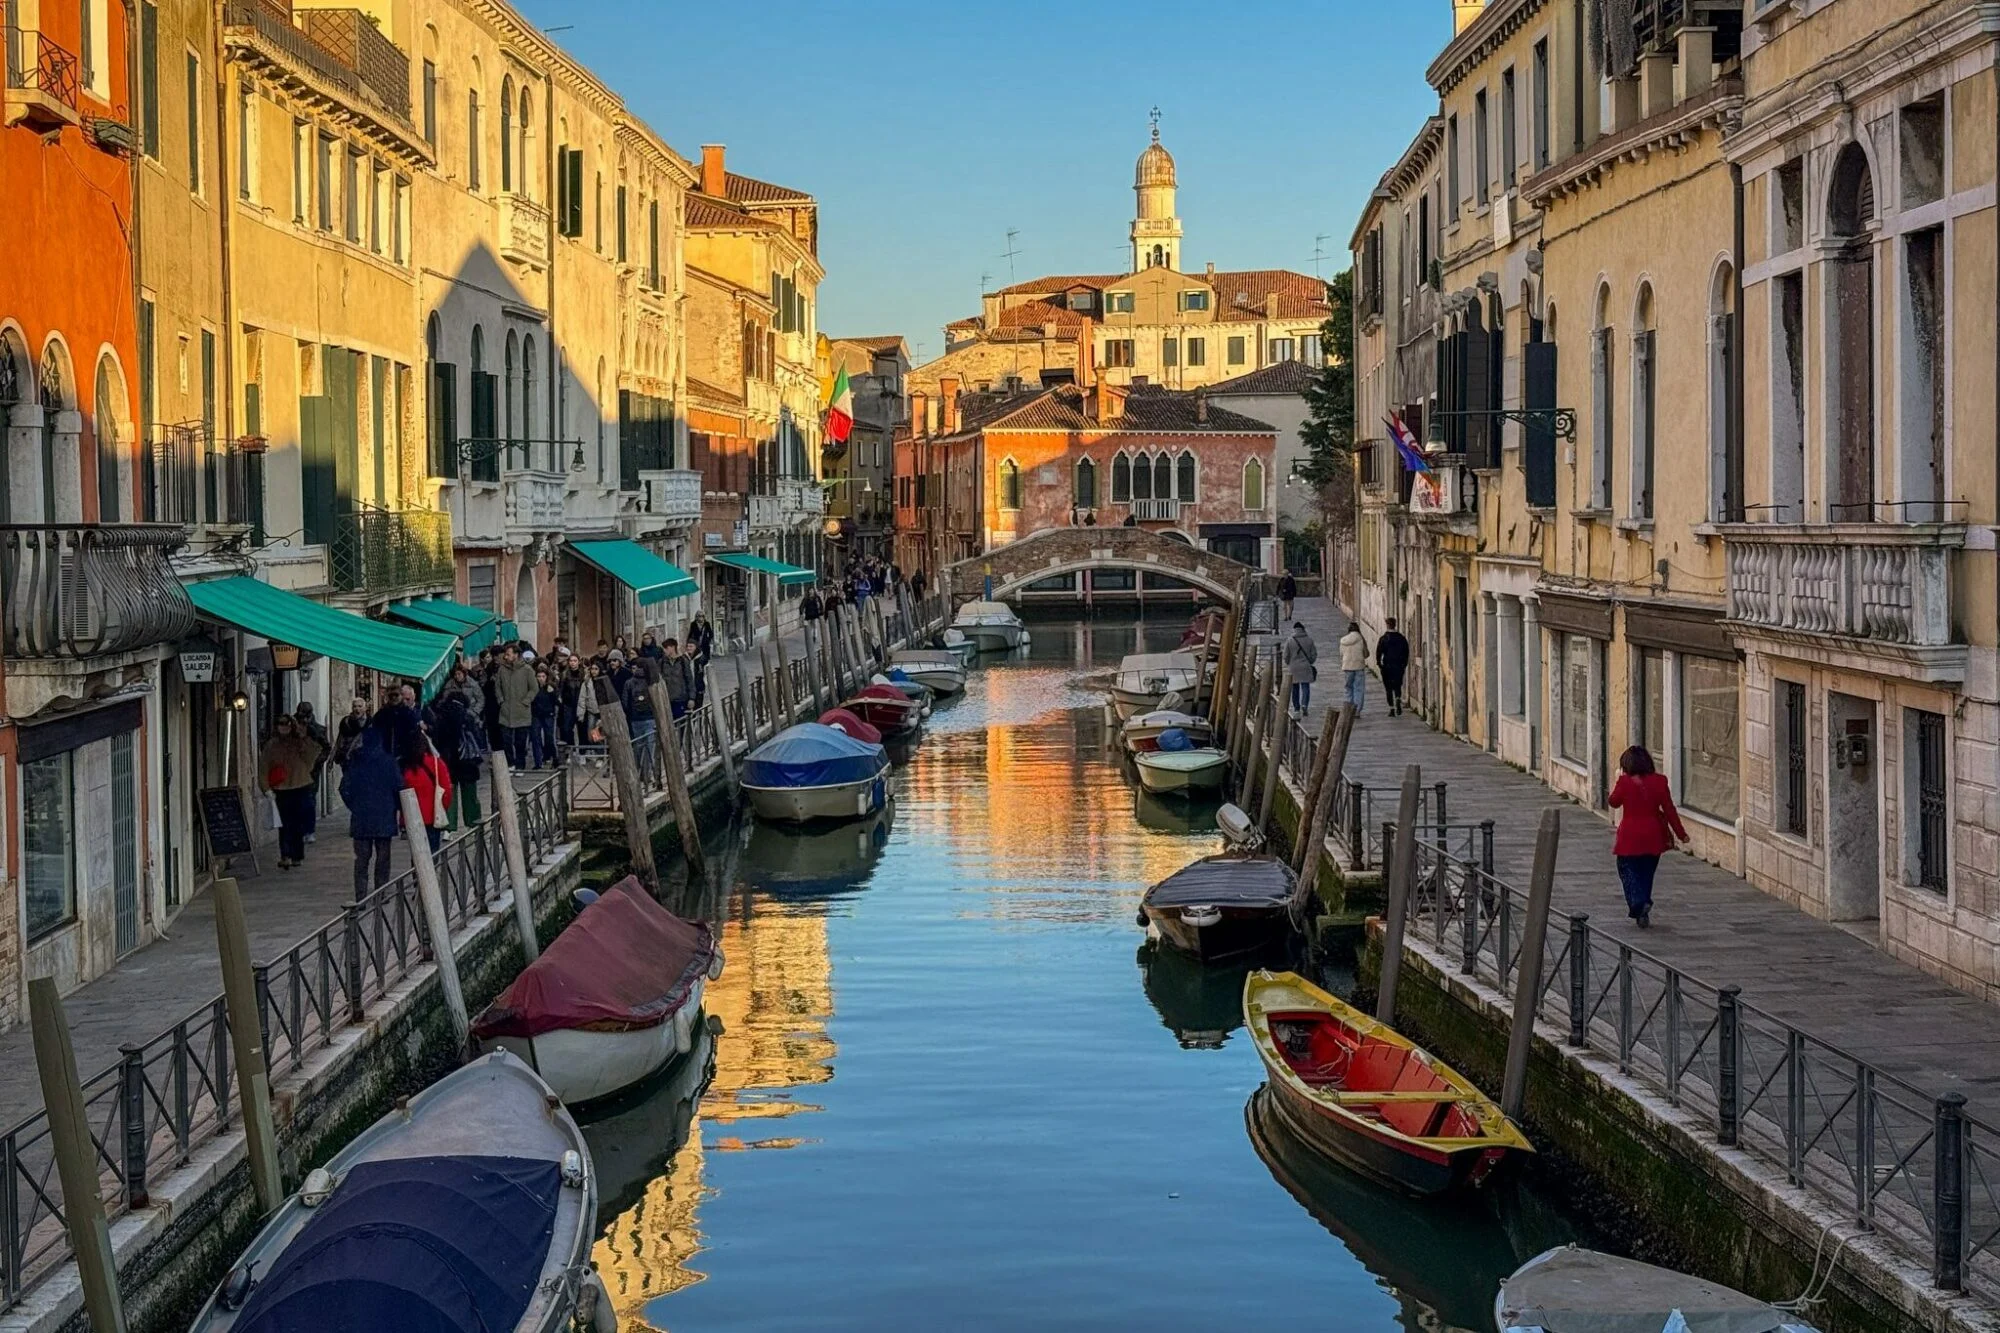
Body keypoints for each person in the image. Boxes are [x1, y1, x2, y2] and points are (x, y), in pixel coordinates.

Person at [1609, 746, 1689, 928]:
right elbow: (1669, 810)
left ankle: (1638, 903)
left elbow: (1613, 802)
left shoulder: (1624, 783)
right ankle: (1643, 904)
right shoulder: (1660, 782)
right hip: (1653, 835)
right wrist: (1681, 833)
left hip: (1630, 836)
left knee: (1627, 870)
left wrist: (1618, 781)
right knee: (1646, 873)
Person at [338, 729, 403, 901]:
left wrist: (354, 806)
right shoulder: (389, 762)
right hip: (384, 816)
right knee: (383, 858)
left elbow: (344, 788)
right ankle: (381, 893)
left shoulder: (356, 761)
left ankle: (361, 896)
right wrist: (394, 807)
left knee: (362, 859)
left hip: (362, 817)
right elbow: (399, 787)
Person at [259, 713, 323, 870]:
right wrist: (266, 788)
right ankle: (286, 855)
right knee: (285, 824)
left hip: (300, 785)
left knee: (298, 823)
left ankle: (297, 855)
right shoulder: (271, 745)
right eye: (281, 724)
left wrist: (303, 737)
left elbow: (313, 754)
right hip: (281, 788)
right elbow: (263, 768)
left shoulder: (299, 743)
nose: (284, 727)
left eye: (287, 725)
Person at [399, 727, 453, 856]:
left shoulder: (405, 768)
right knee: (433, 853)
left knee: (417, 856)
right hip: (433, 816)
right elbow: (447, 791)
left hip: (413, 817)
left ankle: (417, 876)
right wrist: (442, 808)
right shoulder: (436, 763)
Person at [493, 643, 537, 770]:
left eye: (508, 654)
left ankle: (520, 765)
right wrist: (501, 700)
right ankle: (510, 763)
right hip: (506, 711)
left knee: (520, 742)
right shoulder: (502, 669)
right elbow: (498, 687)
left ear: (516, 655)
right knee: (506, 740)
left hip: (521, 711)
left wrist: (526, 701)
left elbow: (534, 688)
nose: (506, 657)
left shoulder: (527, 670)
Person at [294, 701, 330, 844]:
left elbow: (326, 748)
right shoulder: (291, 727)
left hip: (311, 770)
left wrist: (317, 761)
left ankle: (309, 830)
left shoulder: (317, 729)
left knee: (309, 800)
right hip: (294, 769)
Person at [1376, 618, 1411, 717]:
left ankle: (1392, 709)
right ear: (1395, 625)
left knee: (1388, 688)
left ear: (1387, 625)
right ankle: (1398, 699)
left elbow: (1379, 652)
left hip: (1387, 666)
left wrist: (1379, 664)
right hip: (1399, 665)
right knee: (1397, 685)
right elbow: (1406, 652)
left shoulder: (1384, 638)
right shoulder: (1401, 638)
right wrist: (1404, 664)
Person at [1283, 621, 1318, 716]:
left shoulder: (1289, 640)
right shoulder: (1309, 640)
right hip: (1305, 666)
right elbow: (1314, 654)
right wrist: (1310, 661)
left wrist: (1289, 663)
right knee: (1305, 686)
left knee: (1295, 688)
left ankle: (1296, 707)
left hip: (1293, 667)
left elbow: (1285, 655)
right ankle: (1304, 705)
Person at [332, 697, 372, 771]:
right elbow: (339, 740)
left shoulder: (370, 723)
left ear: (365, 708)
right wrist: (332, 757)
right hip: (348, 760)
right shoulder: (346, 722)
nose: (357, 709)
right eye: (355, 706)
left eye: (360, 706)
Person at [530, 667, 559, 767]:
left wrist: (552, 693)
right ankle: (538, 762)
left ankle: (554, 758)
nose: (541, 678)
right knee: (536, 738)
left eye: (543, 676)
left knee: (549, 737)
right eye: (539, 676)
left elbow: (557, 702)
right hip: (536, 715)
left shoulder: (551, 687)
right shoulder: (533, 688)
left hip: (548, 715)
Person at [1338, 621, 1368, 714]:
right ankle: (1357, 710)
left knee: (1348, 688)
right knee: (1358, 688)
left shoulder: (1343, 640)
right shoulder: (1360, 639)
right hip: (1359, 666)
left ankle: (1348, 709)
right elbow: (1366, 654)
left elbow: (1341, 654)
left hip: (1347, 666)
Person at [688, 613, 715, 706]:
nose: (700, 618)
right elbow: (691, 634)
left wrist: (708, 639)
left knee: (703, 662)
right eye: (699, 616)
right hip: (696, 644)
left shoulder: (706, 624)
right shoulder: (693, 624)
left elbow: (711, 633)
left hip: (704, 646)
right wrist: (691, 643)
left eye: (702, 616)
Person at [662, 639, 693, 722]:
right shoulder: (662, 662)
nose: (664, 650)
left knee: (681, 723)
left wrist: (691, 698)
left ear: (673, 647)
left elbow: (689, 680)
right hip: (667, 698)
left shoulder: (683, 661)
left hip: (680, 699)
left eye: (666, 648)